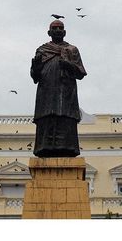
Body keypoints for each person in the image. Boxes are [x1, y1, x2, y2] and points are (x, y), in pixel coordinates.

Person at [30, 20, 87, 157]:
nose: (57, 30)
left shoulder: (72, 50)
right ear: (49, 32)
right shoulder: (42, 50)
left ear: (65, 32)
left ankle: (68, 148)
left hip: (66, 92)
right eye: (54, 28)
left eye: (60, 28)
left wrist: (68, 64)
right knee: (47, 117)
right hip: (46, 92)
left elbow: (80, 73)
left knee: (65, 117)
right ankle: (45, 148)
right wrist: (36, 66)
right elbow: (34, 76)